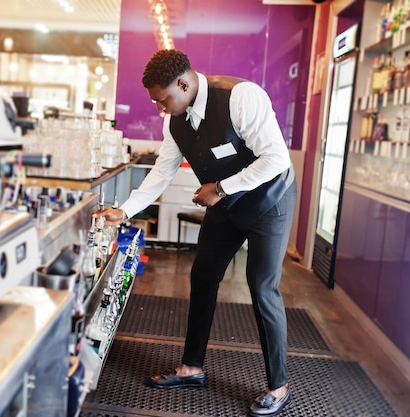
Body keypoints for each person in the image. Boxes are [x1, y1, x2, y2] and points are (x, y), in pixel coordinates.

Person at [94, 49, 297, 417]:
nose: (160, 107)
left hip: (271, 199)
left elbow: (276, 159)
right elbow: (161, 172)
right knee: (203, 274)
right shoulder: (175, 122)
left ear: (183, 83)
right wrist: (124, 210)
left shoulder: (241, 97)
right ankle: (192, 367)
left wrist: (219, 188)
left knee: (262, 285)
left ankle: (279, 385)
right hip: (226, 203)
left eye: (162, 98)